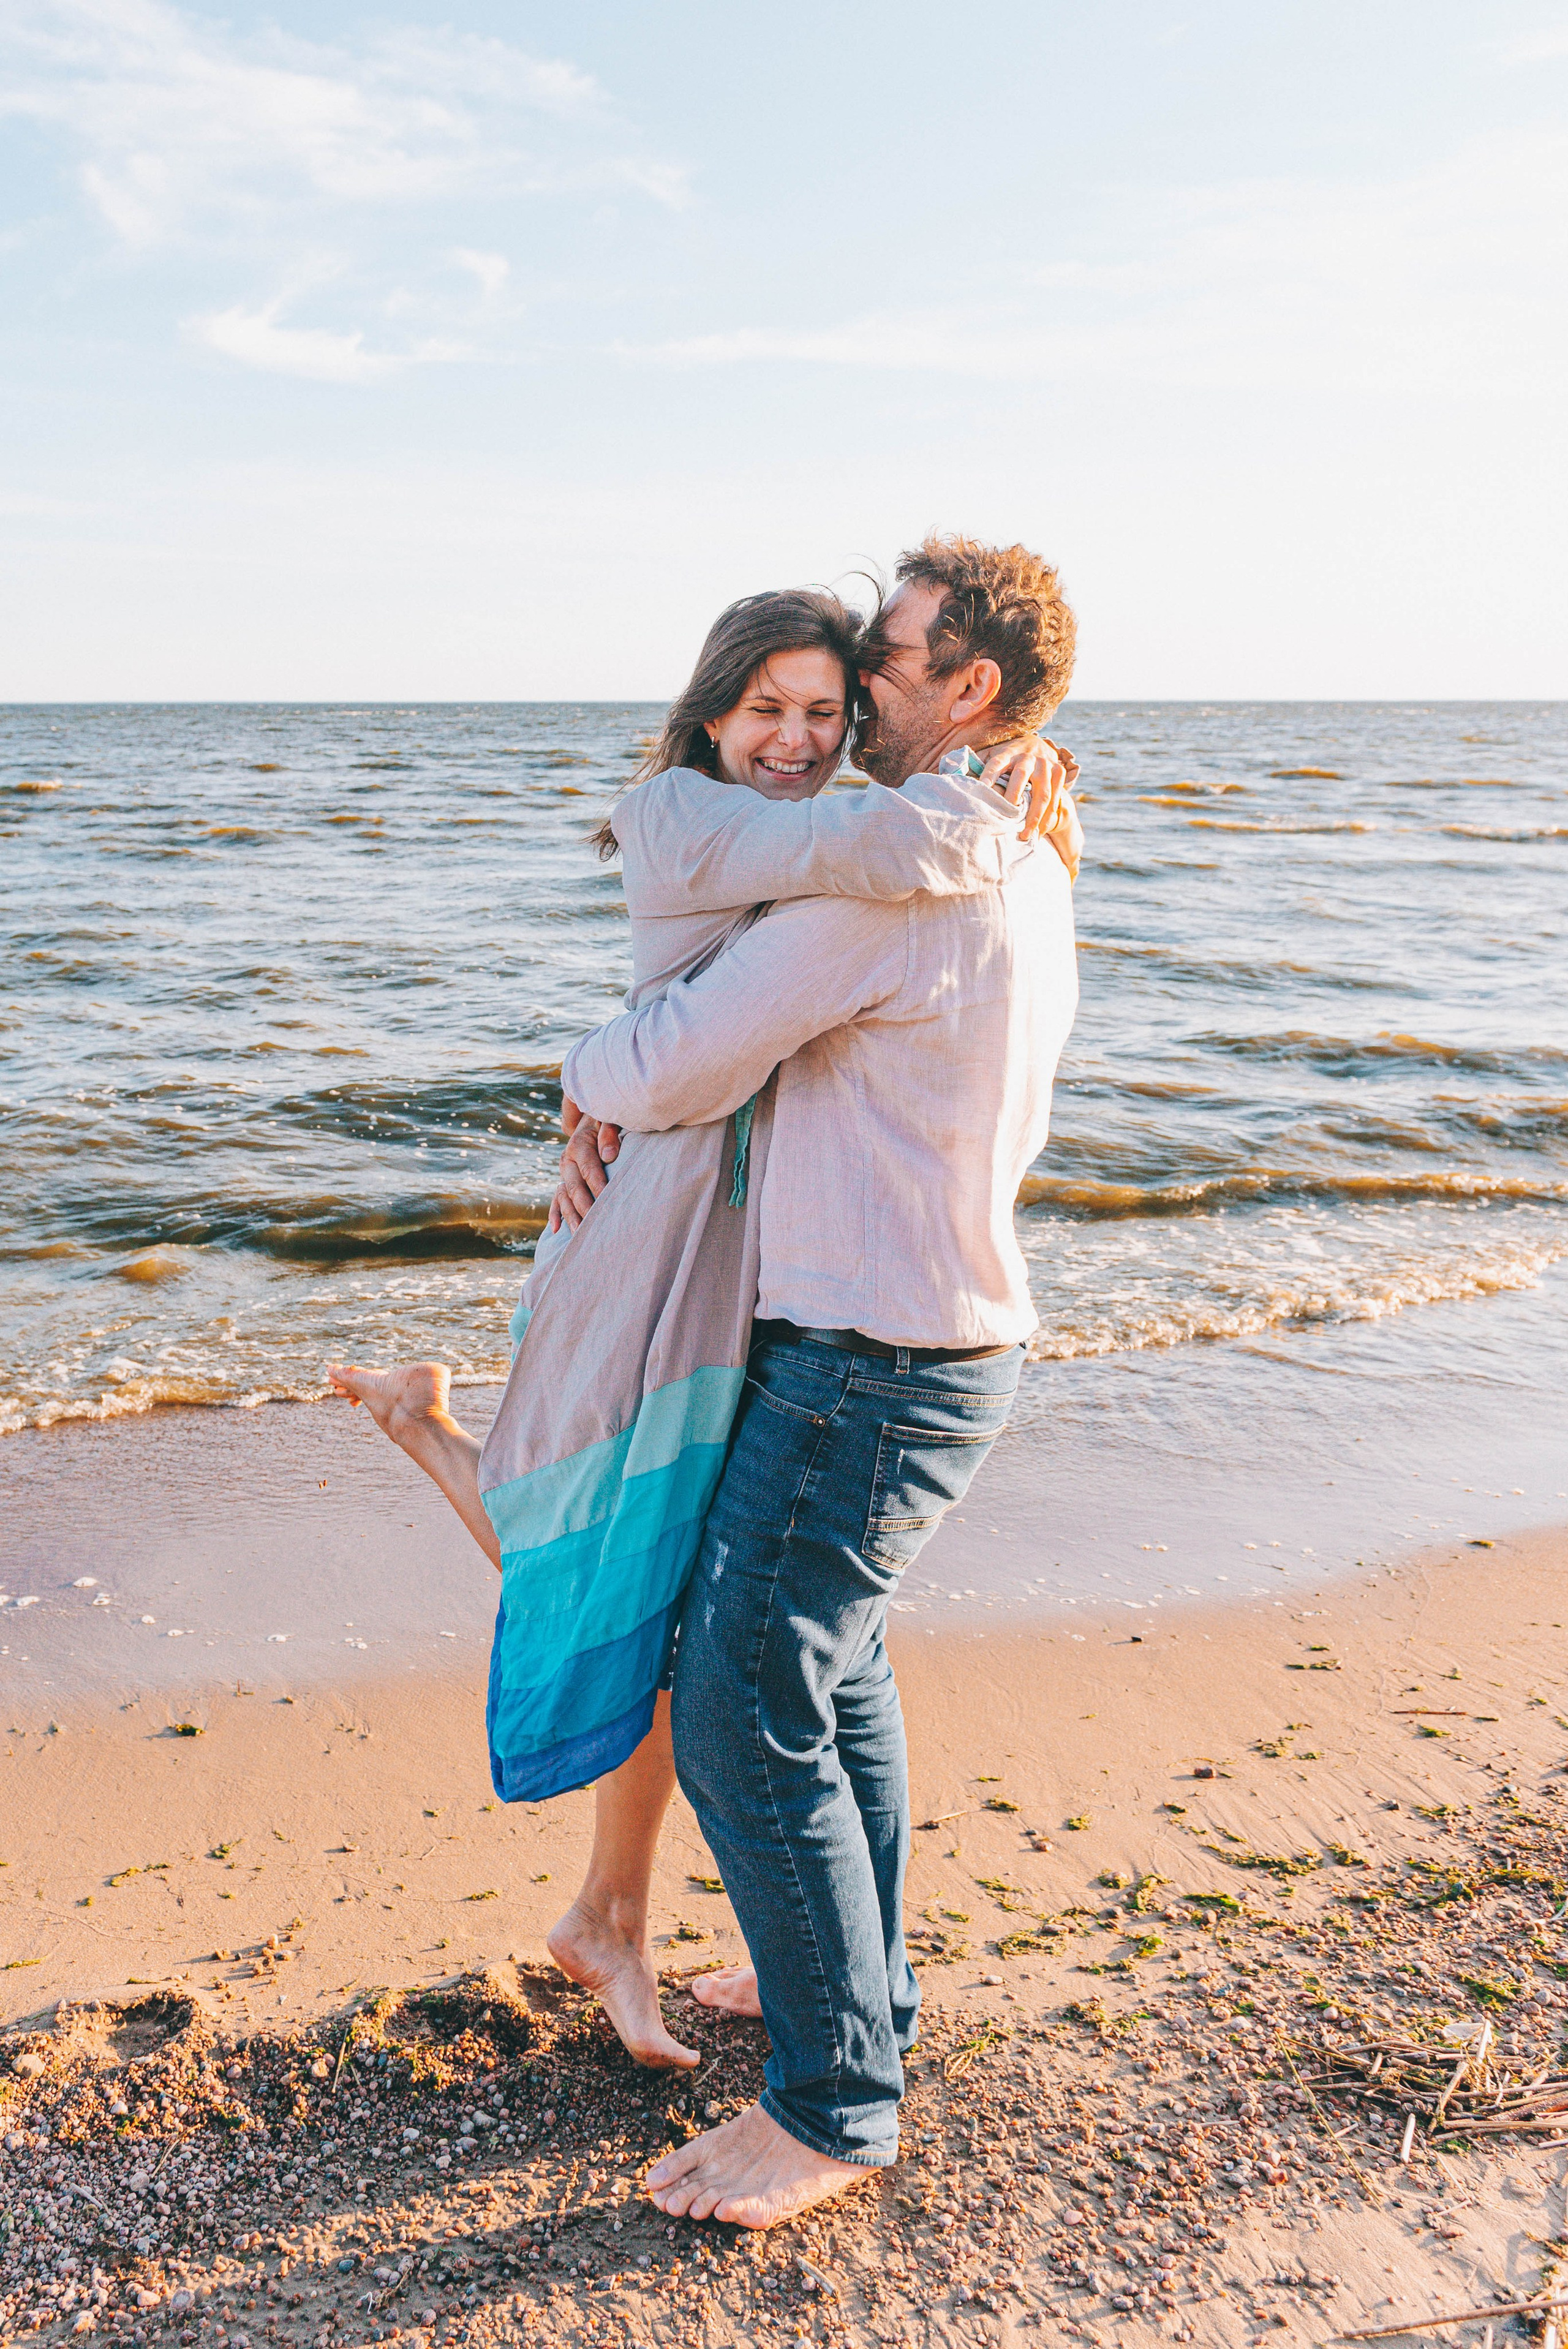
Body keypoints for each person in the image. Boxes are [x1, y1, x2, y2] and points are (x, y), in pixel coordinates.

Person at [330, 574, 1080, 2076]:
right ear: (711, 710)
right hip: (672, 1228)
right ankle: (671, 1933)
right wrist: (587, 1075)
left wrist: (602, 1074)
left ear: (972, 689)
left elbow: (719, 1015)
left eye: (857, 685)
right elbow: (710, 1011)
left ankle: (729, 1977)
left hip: (764, 1259)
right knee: (632, 1547)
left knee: (710, 1614)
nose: (827, 721)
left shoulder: (928, 859)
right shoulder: (753, 821)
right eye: (782, 706)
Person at [554, 533, 1080, 2228]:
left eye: (888, 663)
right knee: (830, 1679)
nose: (859, 691)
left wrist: (583, 1071)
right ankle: (844, 1998)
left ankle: (835, 2102)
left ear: (971, 690)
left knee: (740, 1703)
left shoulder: (893, 886)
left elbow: (678, 1052)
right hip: (933, 1343)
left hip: (871, 1354)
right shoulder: (1027, 856)